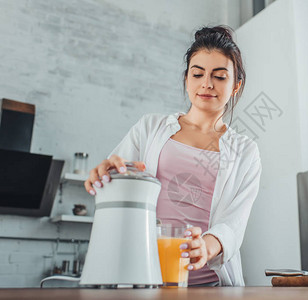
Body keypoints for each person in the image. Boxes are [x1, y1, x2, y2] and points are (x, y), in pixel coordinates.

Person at [84, 25, 262, 287]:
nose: (207, 84)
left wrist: (206, 247)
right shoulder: (150, 128)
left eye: (220, 76)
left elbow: (233, 225)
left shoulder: (246, 151)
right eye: (197, 73)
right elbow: (116, 187)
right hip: (142, 280)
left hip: (210, 287)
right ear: (186, 78)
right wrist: (106, 176)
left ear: (236, 85)